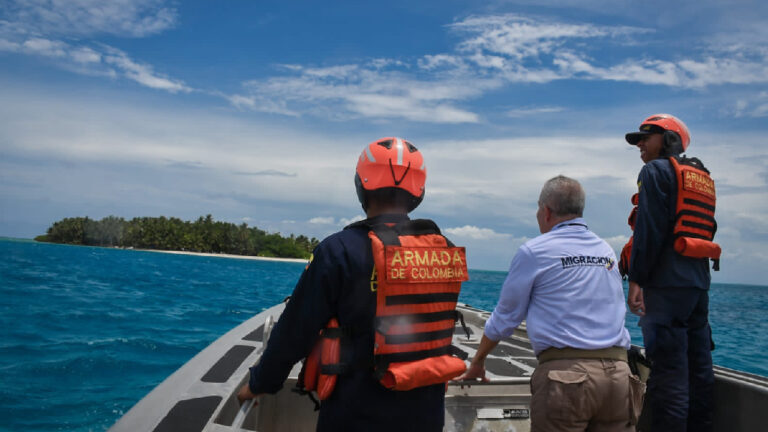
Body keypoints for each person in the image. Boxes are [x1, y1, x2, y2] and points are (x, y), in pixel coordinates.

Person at [237, 137, 469, 431]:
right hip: (425, 415)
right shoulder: (444, 249)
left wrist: (260, 384)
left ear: (362, 184)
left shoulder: (339, 251)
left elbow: (294, 333)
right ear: (418, 191)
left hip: (355, 414)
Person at [460, 175, 641, 432]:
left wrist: (478, 360)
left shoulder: (535, 251)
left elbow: (505, 318)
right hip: (619, 378)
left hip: (568, 380)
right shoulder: (605, 250)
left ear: (546, 211)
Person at [621, 114, 719, 432]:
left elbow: (649, 229)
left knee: (668, 378)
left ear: (670, 140)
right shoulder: (700, 176)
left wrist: (637, 278)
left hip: (665, 286)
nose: (640, 146)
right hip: (697, 285)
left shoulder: (655, 171)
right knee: (700, 373)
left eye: (645, 138)